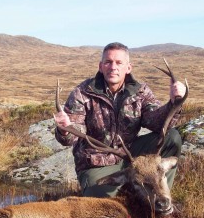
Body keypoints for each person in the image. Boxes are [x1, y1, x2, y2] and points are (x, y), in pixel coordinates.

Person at [54, 42, 186, 198]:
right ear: (101, 66)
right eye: (108, 62)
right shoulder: (82, 93)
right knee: (101, 200)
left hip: (131, 156)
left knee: (172, 138)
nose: (113, 67)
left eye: (119, 62)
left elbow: (156, 122)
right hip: (97, 163)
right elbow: (71, 136)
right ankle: (133, 188)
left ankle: (161, 196)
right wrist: (65, 129)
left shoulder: (140, 91)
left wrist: (174, 103)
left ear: (128, 67)